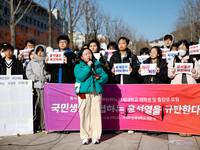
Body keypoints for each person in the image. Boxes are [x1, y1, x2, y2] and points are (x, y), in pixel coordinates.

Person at [74, 48, 108, 145]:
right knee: (84, 114)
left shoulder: (97, 65)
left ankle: (95, 136)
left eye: (90, 53)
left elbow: (105, 77)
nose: (88, 55)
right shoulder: (78, 66)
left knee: (96, 114)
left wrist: (100, 77)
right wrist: (88, 67)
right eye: (86, 54)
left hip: (96, 92)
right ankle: (85, 136)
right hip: (84, 93)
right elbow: (81, 77)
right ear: (81, 57)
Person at [168, 40, 200, 136]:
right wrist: (172, 72)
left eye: (184, 47)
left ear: (187, 49)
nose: (182, 49)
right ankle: (180, 128)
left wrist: (194, 72)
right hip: (177, 87)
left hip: (190, 87)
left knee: (189, 108)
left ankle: (189, 128)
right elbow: (169, 75)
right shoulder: (173, 60)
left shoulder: (193, 60)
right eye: (180, 47)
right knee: (179, 108)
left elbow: (198, 75)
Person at [26, 45, 50, 132]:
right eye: (38, 51)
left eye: (42, 51)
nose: (40, 53)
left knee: (44, 107)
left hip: (45, 87)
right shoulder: (32, 62)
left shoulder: (47, 61)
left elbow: (50, 73)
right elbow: (28, 73)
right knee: (36, 107)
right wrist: (36, 78)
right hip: (35, 87)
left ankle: (43, 126)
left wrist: (47, 78)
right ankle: (36, 126)